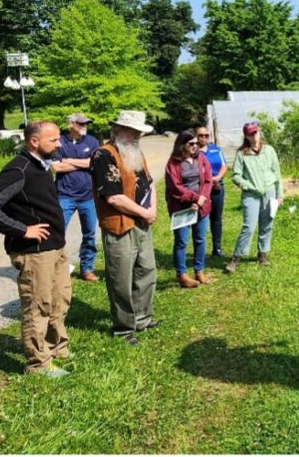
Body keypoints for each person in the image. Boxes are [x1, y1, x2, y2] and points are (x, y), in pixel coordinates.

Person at [0, 121, 71, 377]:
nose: (59, 144)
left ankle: (57, 347)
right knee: (38, 304)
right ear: (34, 141)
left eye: (59, 139)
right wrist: (23, 230)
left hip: (55, 248)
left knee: (59, 299)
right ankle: (39, 364)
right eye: (54, 140)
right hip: (35, 252)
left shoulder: (41, 166)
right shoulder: (19, 169)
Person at [91, 110, 159, 344]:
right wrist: (145, 213)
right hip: (119, 225)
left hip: (141, 222)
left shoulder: (135, 152)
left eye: (139, 132)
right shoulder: (103, 155)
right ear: (118, 131)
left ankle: (142, 318)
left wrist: (153, 211)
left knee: (146, 270)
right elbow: (113, 197)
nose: (138, 136)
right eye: (133, 132)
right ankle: (123, 327)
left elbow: (150, 184)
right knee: (120, 277)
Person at [226, 121, 283, 273]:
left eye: (256, 132)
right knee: (249, 226)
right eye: (251, 133)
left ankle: (262, 254)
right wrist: (249, 185)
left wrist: (280, 195)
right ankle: (236, 257)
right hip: (251, 195)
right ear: (246, 136)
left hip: (269, 193)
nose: (254, 135)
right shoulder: (242, 153)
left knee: (267, 224)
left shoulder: (269, 150)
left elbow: (277, 173)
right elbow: (236, 176)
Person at [50, 113, 101, 282]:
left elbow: (93, 163)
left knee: (89, 234)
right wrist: (83, 162)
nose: (84, 126)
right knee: (58, 232)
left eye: (86, 123)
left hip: (88, 196)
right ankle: (58, 267)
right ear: (71, 124)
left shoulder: (92, 141)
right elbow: (56, 167)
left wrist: (69, 160)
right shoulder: (60, 141)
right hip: (64, 195)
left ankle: (87, 268)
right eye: (80, 123)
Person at [163, 129, 213, 288]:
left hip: (201, 207)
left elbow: (208, 181)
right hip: (182, 208)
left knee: (200, 239)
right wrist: (194, 198)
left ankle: (199, 270)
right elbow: (175, 188)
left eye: (197, 143)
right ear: (182, 145)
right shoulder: (173, 163)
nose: (195, 146)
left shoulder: (201, 158)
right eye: (191, 143)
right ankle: (182, 275)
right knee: (181, 242)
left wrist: (201, 199)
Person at [195, 124, 228, 259]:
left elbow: (224, 166)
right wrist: (207, 181)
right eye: (200, 135)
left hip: (216, 187)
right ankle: (199, 249)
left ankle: (217, 248)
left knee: (216, 218)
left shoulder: (216, 150)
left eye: (206, 135)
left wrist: (217, 178)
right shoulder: (193, 151)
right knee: (201, 217)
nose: (204, 138)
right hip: (201, 188)